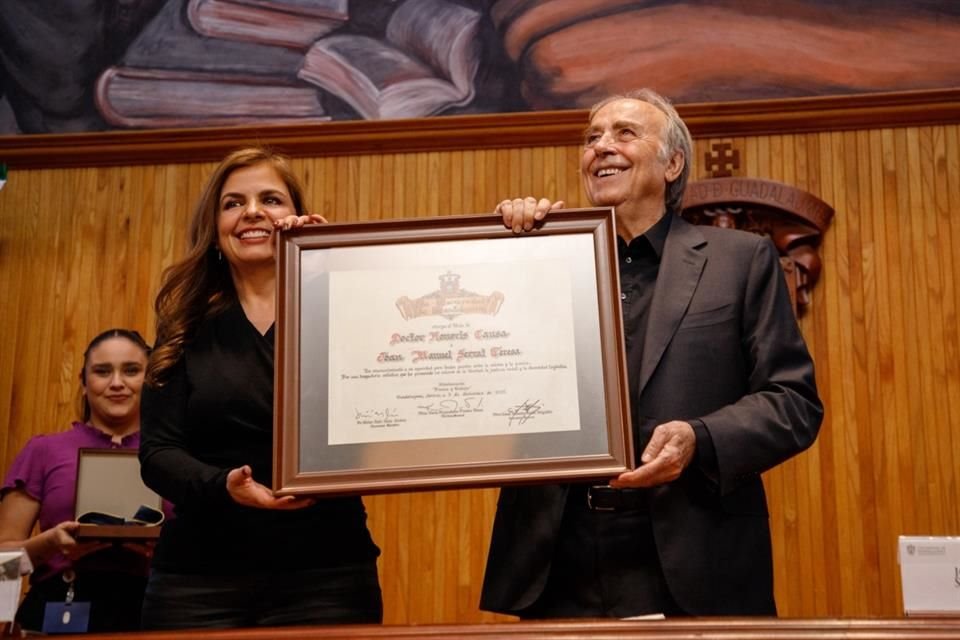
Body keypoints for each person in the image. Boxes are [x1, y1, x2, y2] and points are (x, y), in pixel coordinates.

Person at [481, 88, 824, 618]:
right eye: (591, 137)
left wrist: (699, 438)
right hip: (555, 560)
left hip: (689, 553)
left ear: (673, 164)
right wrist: (504, 245)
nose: (601, 146)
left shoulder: (739, 260)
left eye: (624, 133)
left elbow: (793, 402)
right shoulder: (544, 257)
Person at [138, 147, 382, 630]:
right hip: (198, 581)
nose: (252, 212)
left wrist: (329, 266)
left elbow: (386, 411)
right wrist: (224, 486)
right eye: (233, 203)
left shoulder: (346, 306)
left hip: (328, 575)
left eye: (271, 199)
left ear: (296, 216)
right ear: (214, 229)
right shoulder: (184, 327)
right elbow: (158, 453)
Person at [0, 328, 153, 633]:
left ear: (150, 381)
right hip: (60, 606)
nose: (117, 383)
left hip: (155, 612)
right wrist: (50, 544)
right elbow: (2, 563)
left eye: (132, 370)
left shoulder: (171, 455)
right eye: (102, 371)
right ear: (84, 383)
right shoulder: (43, 450)